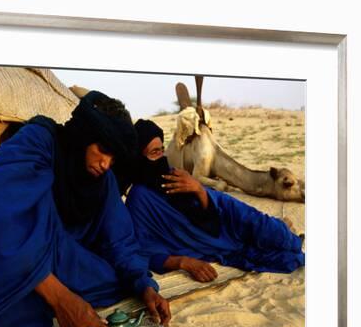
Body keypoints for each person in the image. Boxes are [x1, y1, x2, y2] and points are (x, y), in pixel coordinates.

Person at [0, 92, 171, 327]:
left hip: (62, 258)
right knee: (14, 310)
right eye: (103, 150)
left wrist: (145, 285)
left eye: (113, 159)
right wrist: (61, 299)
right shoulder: (38, 142)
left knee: (116, 279)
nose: (105, 164)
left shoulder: (103, 180)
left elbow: (120, 240)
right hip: (14, 252)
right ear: (84, 135)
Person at [120, 119, 305, 283]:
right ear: (139, 157)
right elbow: (142, 250)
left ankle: (285, 231)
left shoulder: (173, 174)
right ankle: (283, 229)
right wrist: (184, 262)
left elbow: (212, 208)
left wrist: (198, 189)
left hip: (227, 218)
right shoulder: (139, 199)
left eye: (161, 151)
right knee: (286, 259)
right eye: (154, 153)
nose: (161, 158)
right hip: (212, 242)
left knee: (280, 237)